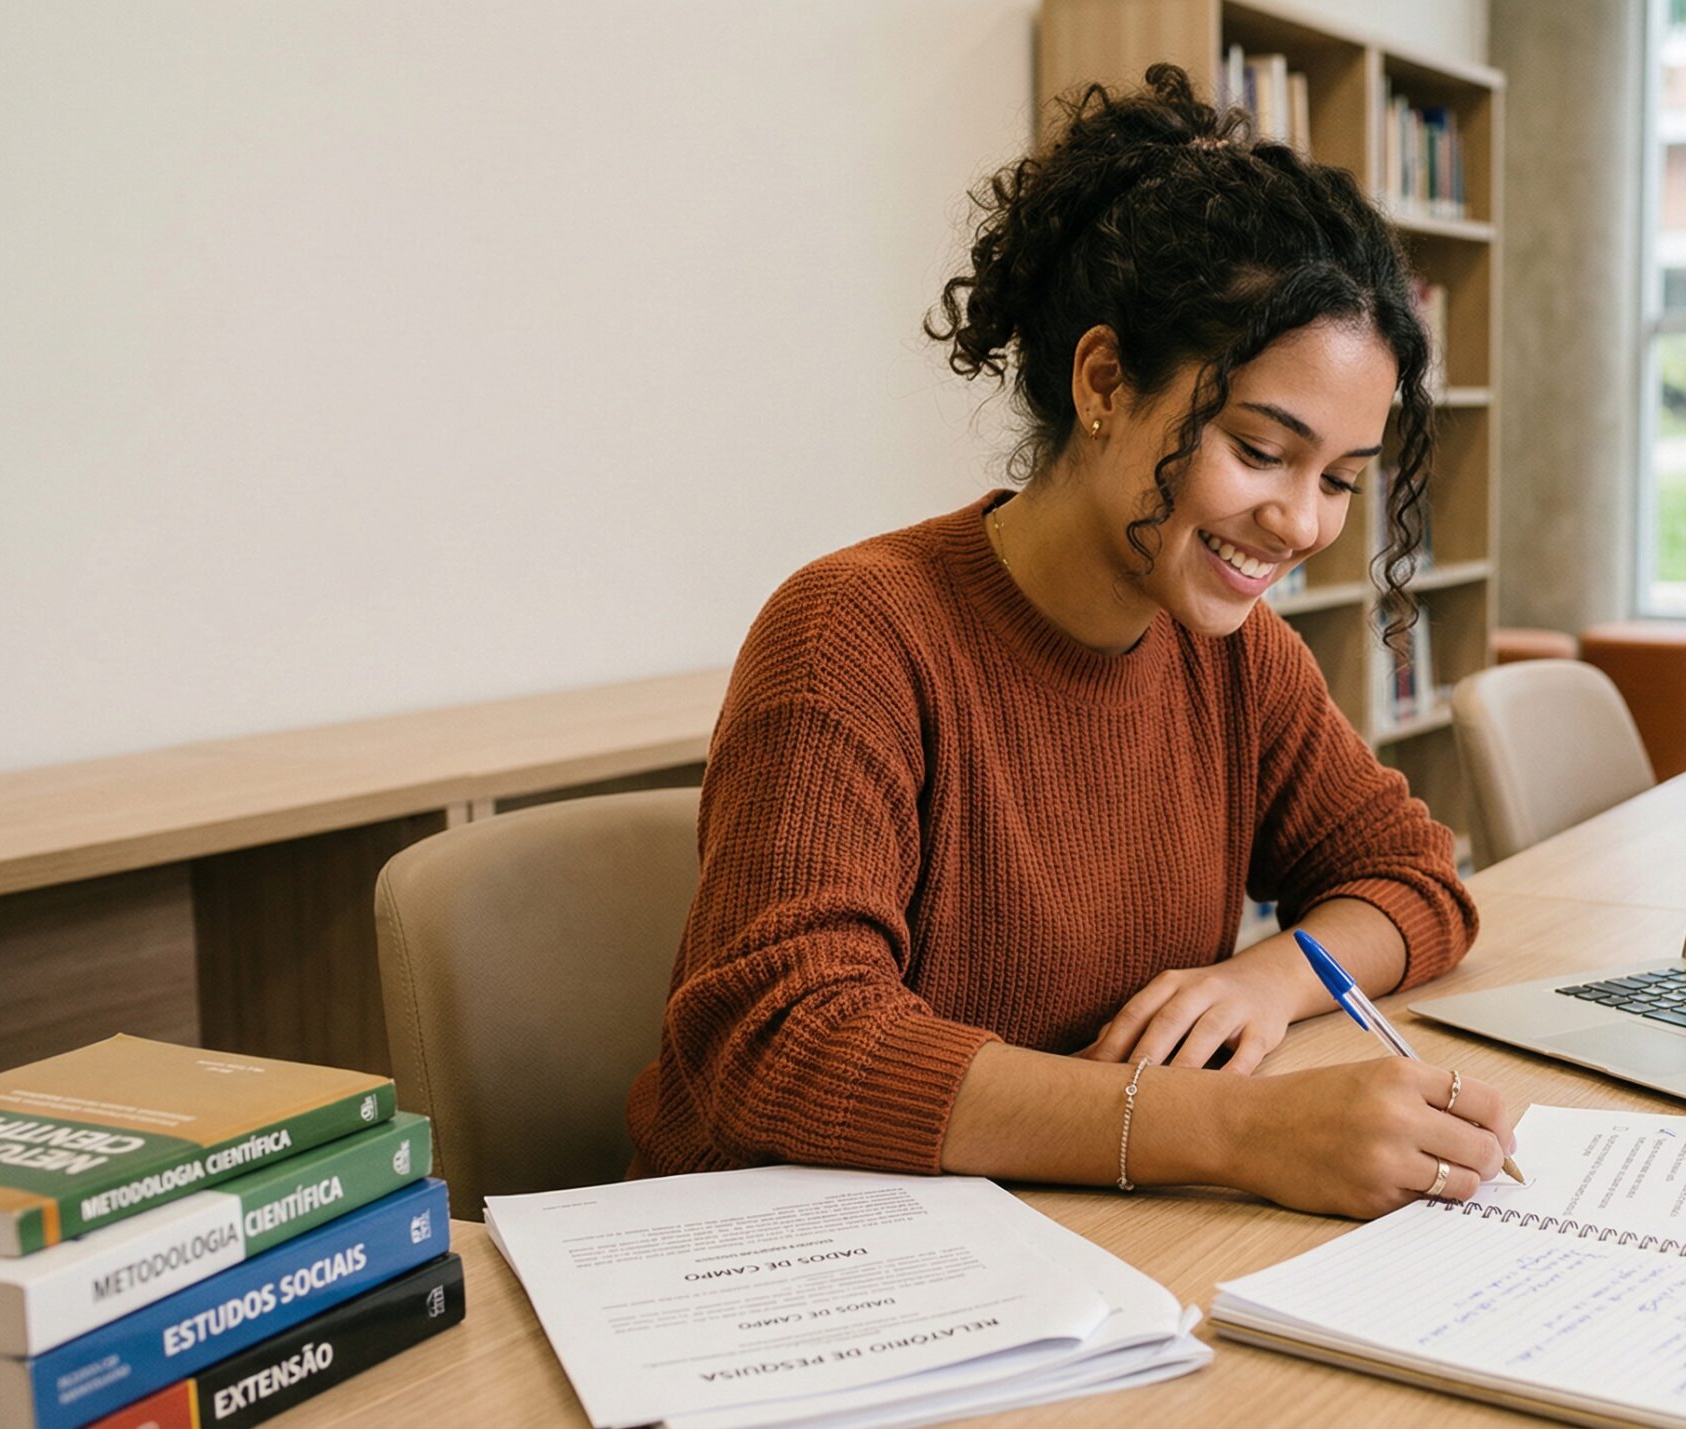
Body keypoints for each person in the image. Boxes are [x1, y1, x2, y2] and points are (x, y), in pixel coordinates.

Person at [624, 67, 1515, 1221]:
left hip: (1046, 1226)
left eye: (1340, 479)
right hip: (781, 1255)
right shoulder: (855, 633)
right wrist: (1240, 1129)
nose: (1300, 523)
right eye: (1258, 449)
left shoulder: (1232, 654)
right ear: (1103, 380)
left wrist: (1266, 980)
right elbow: (790, 1040)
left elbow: (1414, 878)